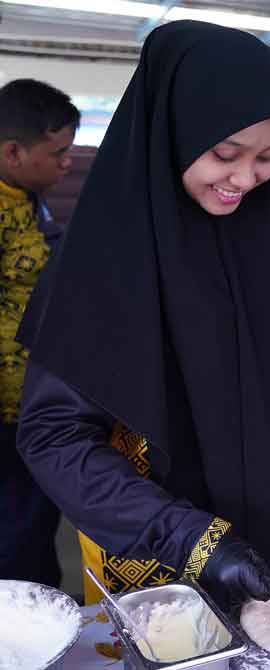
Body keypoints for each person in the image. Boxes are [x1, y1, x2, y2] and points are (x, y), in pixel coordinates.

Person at [15, 20, 270, 608]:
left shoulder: (261, 239)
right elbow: (52, 436)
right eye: (226, 153)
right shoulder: (101, 262)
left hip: (263, 542)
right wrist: (190, 537)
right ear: (171, 133)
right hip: (151, 559)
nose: (245, 179)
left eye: (268, 157)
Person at [0, 79, 79, 587]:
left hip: (29, 402)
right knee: (17, 531)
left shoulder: (28, 201)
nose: (67, 163)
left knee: (33, 523)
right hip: (5, 413)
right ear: (13, 150)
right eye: (59, 153)